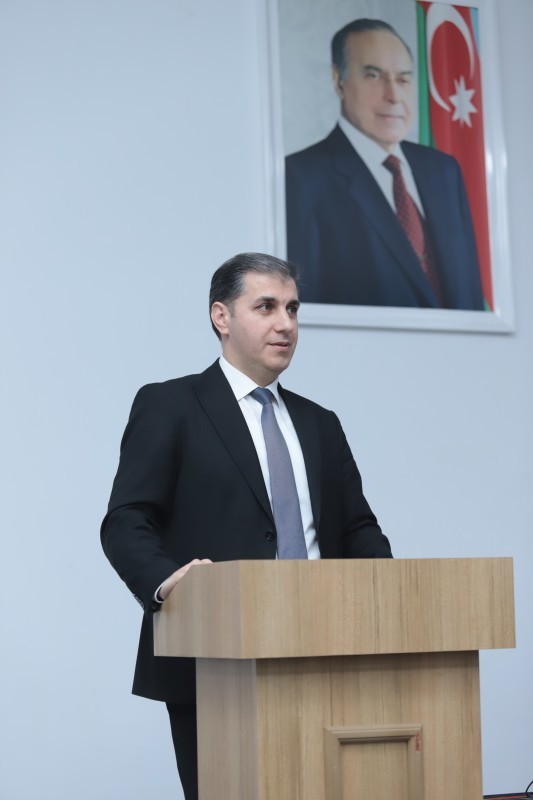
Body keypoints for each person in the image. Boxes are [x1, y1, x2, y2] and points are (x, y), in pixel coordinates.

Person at [101, 252, 392, 799]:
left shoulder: (321, 423)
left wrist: (392, 596)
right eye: (266, 307)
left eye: (293, 309)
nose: (286, 324)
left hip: (328, 652)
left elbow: (359, 530)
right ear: (222, 317)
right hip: (214, 658)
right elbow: (125, 521)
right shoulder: (170, 405)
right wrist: (168, 583)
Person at [285, 18, 485, 310]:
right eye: (374, 76)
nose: (393, 96)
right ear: (339, 80)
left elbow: (470, 295)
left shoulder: (444, 170)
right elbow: (305, 309)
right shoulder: (300, 177)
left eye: (403, 79)